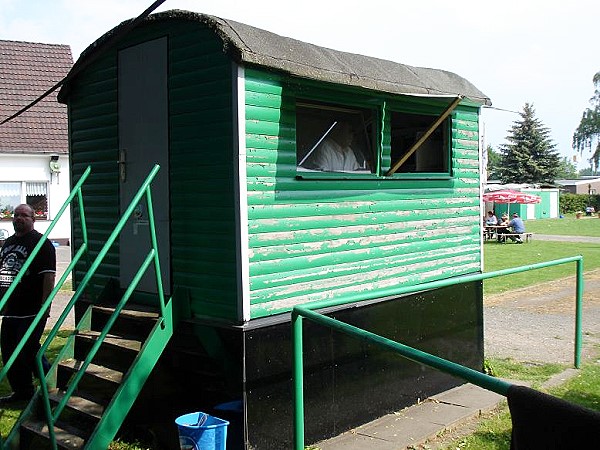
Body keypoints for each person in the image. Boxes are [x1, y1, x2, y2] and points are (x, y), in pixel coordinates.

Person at [0, 204, 56, 403]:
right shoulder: (7, 243)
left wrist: (45, 306)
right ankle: (22, 392)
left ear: (33, 219)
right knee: (8, 352)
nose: (19, 218)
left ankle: (50, 382)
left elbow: (48, 277)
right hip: (11, 310)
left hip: (32, 309)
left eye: (24, 215)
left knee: (28, 349)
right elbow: (4, 275)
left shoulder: (42, 244)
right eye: (16, 215)